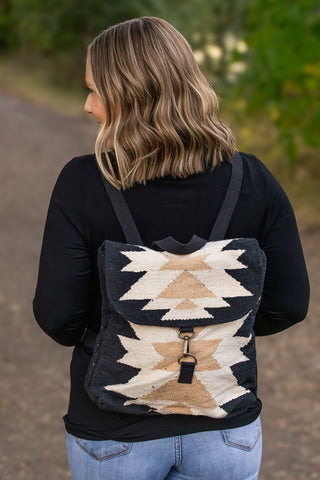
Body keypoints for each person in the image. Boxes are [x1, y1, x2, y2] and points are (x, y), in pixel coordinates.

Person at [33, 16, 309, 480]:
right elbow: (288, 305)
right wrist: (207, 319)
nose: (86, 105)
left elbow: (59, 319)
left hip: (114, 432)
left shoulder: (82, 182)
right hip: (225, 432)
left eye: (95, 90)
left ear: (128, 96)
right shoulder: (254, 180)